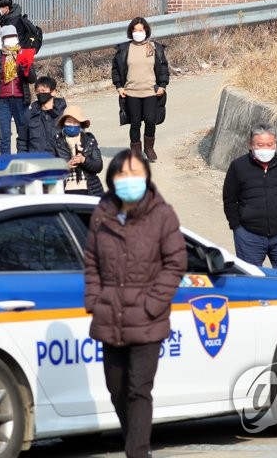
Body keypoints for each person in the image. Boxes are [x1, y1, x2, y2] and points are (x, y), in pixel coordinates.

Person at [83, 150, 186, 458]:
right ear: (112, 180)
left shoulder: (162, 214)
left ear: (147, 177)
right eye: (122, 174)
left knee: (139, 390)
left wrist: (153, 304)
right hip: (109, 315)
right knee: (116, 390)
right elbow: (91, 262)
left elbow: (176, 262)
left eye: (136, 173)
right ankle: (135, 443)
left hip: (146, 319)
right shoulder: (102, 212)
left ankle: (137, 453)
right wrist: (95, 300)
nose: (130, 180)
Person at [222, 124, 277, 273]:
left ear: (275, 144)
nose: (265, 148)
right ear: (251, 145)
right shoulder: (238, 166)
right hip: (249, 235)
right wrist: (236, 227)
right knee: (252, 277)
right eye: (260, 145)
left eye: (269, 144)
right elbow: (230, 200)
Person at [112, 17, 169, 163]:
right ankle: (135, 151)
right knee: (135, 122)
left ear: (146, 31)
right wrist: (119, 87)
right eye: (135, 30)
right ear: (131, 32)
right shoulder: (124, 49)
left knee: (150, 120)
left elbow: (163, 68)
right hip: (131, 92)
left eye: (141, 30)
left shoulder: (155, 47)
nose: (138, 32)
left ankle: (149, 148)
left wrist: (162, 85)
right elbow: (116, 70)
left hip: (151, 91)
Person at [0, 24, 35, 155]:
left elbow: (32, 79)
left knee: (24, 131)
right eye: (7, 37)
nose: (10, 39)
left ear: (17, 37)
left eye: (13, 36)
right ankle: (6, 163)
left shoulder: (24, 55)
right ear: (2, 39)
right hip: (2, 102)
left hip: (21, 99)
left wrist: (26, 69)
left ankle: (23, 160)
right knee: (4, 135)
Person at [53, 104, 104, 196]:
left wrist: (84, 160)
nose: (72, 125)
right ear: (63, 123)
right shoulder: (56, 141)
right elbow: (48, 168)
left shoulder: (89, 139)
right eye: (68, 121)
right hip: (64, 191)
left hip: (90, 189)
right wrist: (65, 167)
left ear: (80, 124)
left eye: (75, 122)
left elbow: (98, 166)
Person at [20, 75, 67, 154]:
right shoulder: (29, 115)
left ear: (53, 92)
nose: (40, 94)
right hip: (36, 161)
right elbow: (22, 142)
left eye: (43, 91)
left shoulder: (64, 114)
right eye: (38, 91)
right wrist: (23, 158)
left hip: (59, 161)